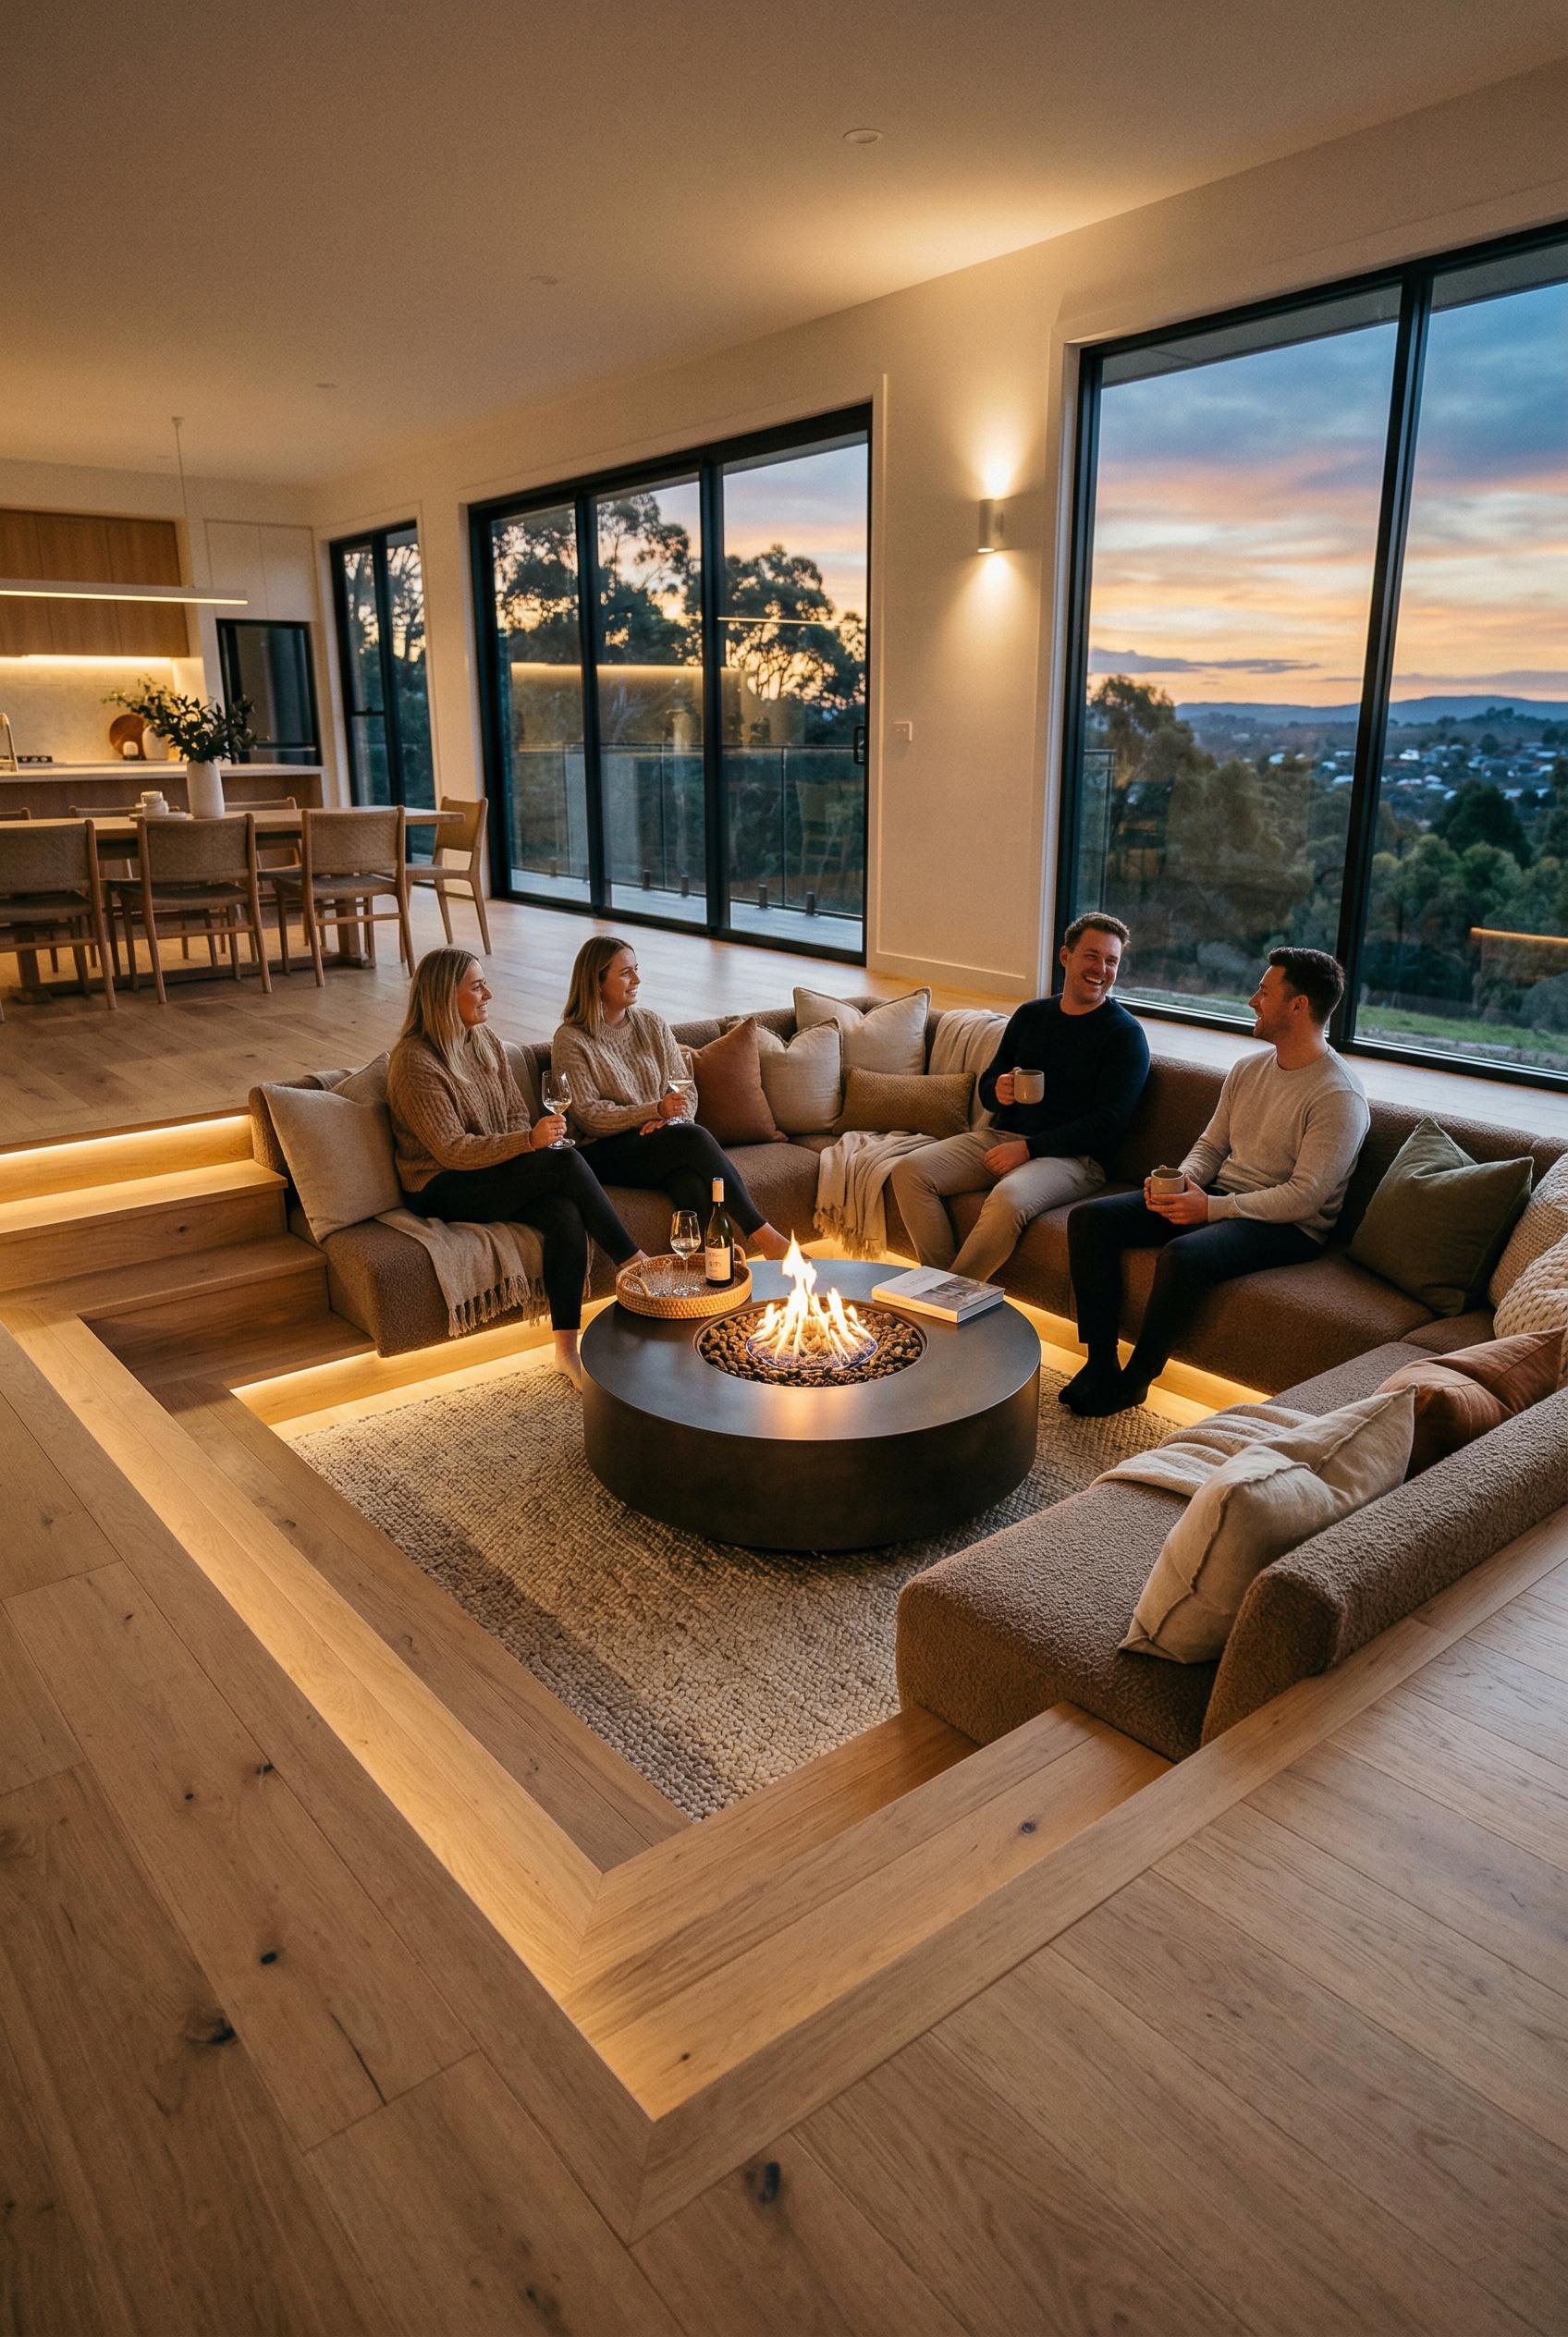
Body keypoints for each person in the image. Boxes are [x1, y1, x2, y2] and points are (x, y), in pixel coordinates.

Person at [1062, 946, 1370, 1416]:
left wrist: (1210, 1209)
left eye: (1264, 992)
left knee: (1184, 1255)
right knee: (1089, 1220)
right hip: (1224, 1199)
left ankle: (1136, 1380)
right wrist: (1180, 1183)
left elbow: (1306, 1197)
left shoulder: (1338, 1095)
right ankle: (1101, 1363)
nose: (1252, 1000)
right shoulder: (1249, 1070)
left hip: (1291, 1227)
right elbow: (1211, 1145)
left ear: (1298, 1005)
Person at [386, 947, 644, 1387]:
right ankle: (635, 1263)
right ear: (444, 996)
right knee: (563, 1161)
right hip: (440, 1183)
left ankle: (565, 1349)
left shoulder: (485, 1041)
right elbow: (451, 1149)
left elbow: (511, 1115)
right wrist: (527, 1143)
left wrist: (522, 1141)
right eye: (476, 986)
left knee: (564, 1210)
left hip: (490, 1169)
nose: (489, 992)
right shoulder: (415, 1061)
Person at [889, 912, 1149, 1284]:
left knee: (1007, 1199)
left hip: (1075, 1159)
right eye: (1092, 956)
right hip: (1004, 1137)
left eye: (1112, 961)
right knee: (909, 1171)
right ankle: (941, 1285)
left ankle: (940, 1301)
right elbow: (989, 1083)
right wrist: (998, 1090)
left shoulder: (1124, 1035)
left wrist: (1030, 1150)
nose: (1101, 969)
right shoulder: (1031, 1015)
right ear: (1066, 956)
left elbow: (1108, 1124)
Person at [550, 936, 792, 1261]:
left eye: (636, 970)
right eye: (625, 973)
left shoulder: (651, 1023)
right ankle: (766, 1236)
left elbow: (684, 1088)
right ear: (596, 982)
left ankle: (711, 1267)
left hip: (658, 1138)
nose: (636, 980)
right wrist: (652, 1111)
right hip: (604, 1151)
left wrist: (670, 1119)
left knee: (689, 1179)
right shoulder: (571, 1040)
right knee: (692, 1139)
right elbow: (588, 1115)